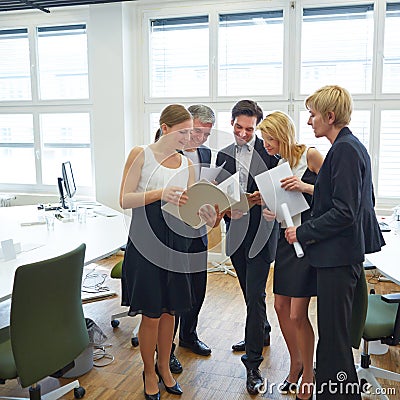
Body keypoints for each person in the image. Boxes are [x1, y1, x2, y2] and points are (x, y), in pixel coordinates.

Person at [285, 85, 385, 400]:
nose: (309, 120)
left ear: (330, 116)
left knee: (334, 342)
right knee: (332, 339)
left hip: (338, 259)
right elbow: (359, 202)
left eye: (313, 114)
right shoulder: (347, 147)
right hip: (338, 257)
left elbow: (345, 212)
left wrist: (302, 232)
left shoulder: (344, 150)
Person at [119, 104, 195, 400]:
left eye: (191, 132)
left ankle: (165, 367)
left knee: (170, 312)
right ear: (164, 128)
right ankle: (149, 371)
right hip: (145, 242)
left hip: (175, 244)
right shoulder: (141, 154)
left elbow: (187, 209)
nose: (188, 138)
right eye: (183, 132)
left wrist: (203, 211)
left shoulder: (186, 164)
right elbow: (125, 199)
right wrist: (160, 193)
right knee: (151, 315)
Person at [258, 111, 324, 400]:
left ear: (282, 135)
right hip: (287, 239)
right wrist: (274, 211)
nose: (265, 144)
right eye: (263, 138)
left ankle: (309, 372)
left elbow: (336, 194)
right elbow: (290, 205)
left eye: (268, 138)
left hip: (309, 242)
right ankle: (295, 362)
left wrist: (305, 186)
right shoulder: (279, 164)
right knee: (281, 307)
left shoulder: (311, 156)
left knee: (298, 314)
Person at [215, 99, 279, 395]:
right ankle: (261, 332)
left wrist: (262, 201)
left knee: (255, 295)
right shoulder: (223, 155)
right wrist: (226, 209)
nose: (242, 134)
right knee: (248, 293)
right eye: (238, 128)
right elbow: (217, 196)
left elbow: (281, 195)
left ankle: (252, 365)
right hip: (236, 232)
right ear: (231, 124)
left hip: (262, 233)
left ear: (258, 127)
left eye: (249, 129)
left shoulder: (271, 153)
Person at [169, 104, 216, 373]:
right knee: (175, 289)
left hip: (198, 227)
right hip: (173, 231)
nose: (200, 139)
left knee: (198, 285)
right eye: (197, 132)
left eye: (206, 135)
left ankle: (189, 334)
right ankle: (167, 350)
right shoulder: (169, 151)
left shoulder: (206, 153)